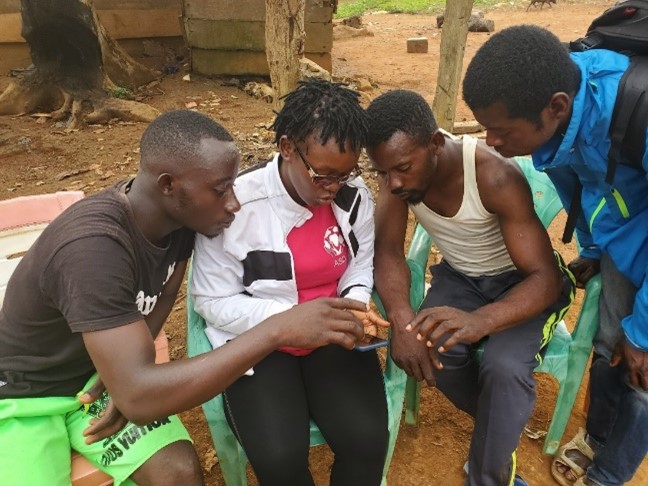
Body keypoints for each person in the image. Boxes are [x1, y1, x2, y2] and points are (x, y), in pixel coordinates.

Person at [0, 109, 369, 486]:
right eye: (220, 189)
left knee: (178, 472)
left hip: (96, 381)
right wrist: (276, 330)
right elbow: (141, 398)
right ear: (167, 185)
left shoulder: (179, 224)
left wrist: (121, 378)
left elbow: (161, 302)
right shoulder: (93, 250)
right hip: (20, 396)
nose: (234, 204)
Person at [462, 24, 648, 486]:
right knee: (611, 345)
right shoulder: (558, 104)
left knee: (644, 367)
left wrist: (644, 332)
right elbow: (582, 178)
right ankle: (598, 439)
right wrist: (594, 248)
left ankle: (609, 474)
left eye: (502, 131)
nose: (491, 142)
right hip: (630, 231)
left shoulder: (638, 112)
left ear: (557, 108)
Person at [365, 89, 574, 486]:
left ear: (436, 144)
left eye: (403, 168)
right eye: (382, 171)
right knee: (428, 344)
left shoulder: (492, 175)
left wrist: (481, 321)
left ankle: (490, 475)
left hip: (523, 283)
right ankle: (498, 421)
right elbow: (388, 251)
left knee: (505, 366)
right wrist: (403, 321)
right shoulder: (398, 176)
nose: (392, 184)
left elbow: (544, 280)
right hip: (461, 276)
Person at [191, 80, 390, 486]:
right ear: (286, 147)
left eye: (345, 174)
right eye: (322, 175)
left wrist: (353, 302)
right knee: (280, 460)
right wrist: (288, 320)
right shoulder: (236, 205)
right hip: (258, 342)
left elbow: (359, 263)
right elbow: (210, 300)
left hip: (330, 333)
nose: (333, 187)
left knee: (366, 441)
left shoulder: (353, 198)